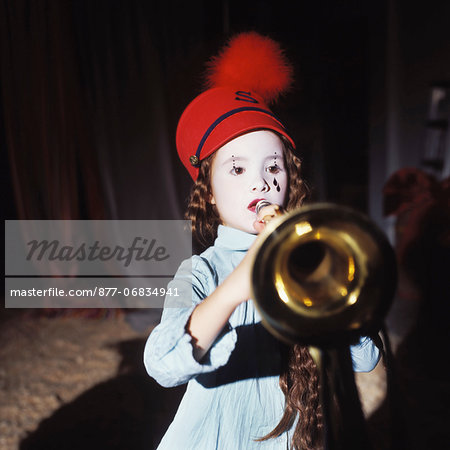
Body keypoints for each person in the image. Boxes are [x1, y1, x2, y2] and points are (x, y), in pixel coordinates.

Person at [144, 32, 380, 450]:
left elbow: (365, 360)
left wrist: (333, 289)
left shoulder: (306, 261)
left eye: (274, 166)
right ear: (209, 193)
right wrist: (237, 286)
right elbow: (161, 364)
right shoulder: (199, 271)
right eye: (237, 169)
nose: (263, 181)